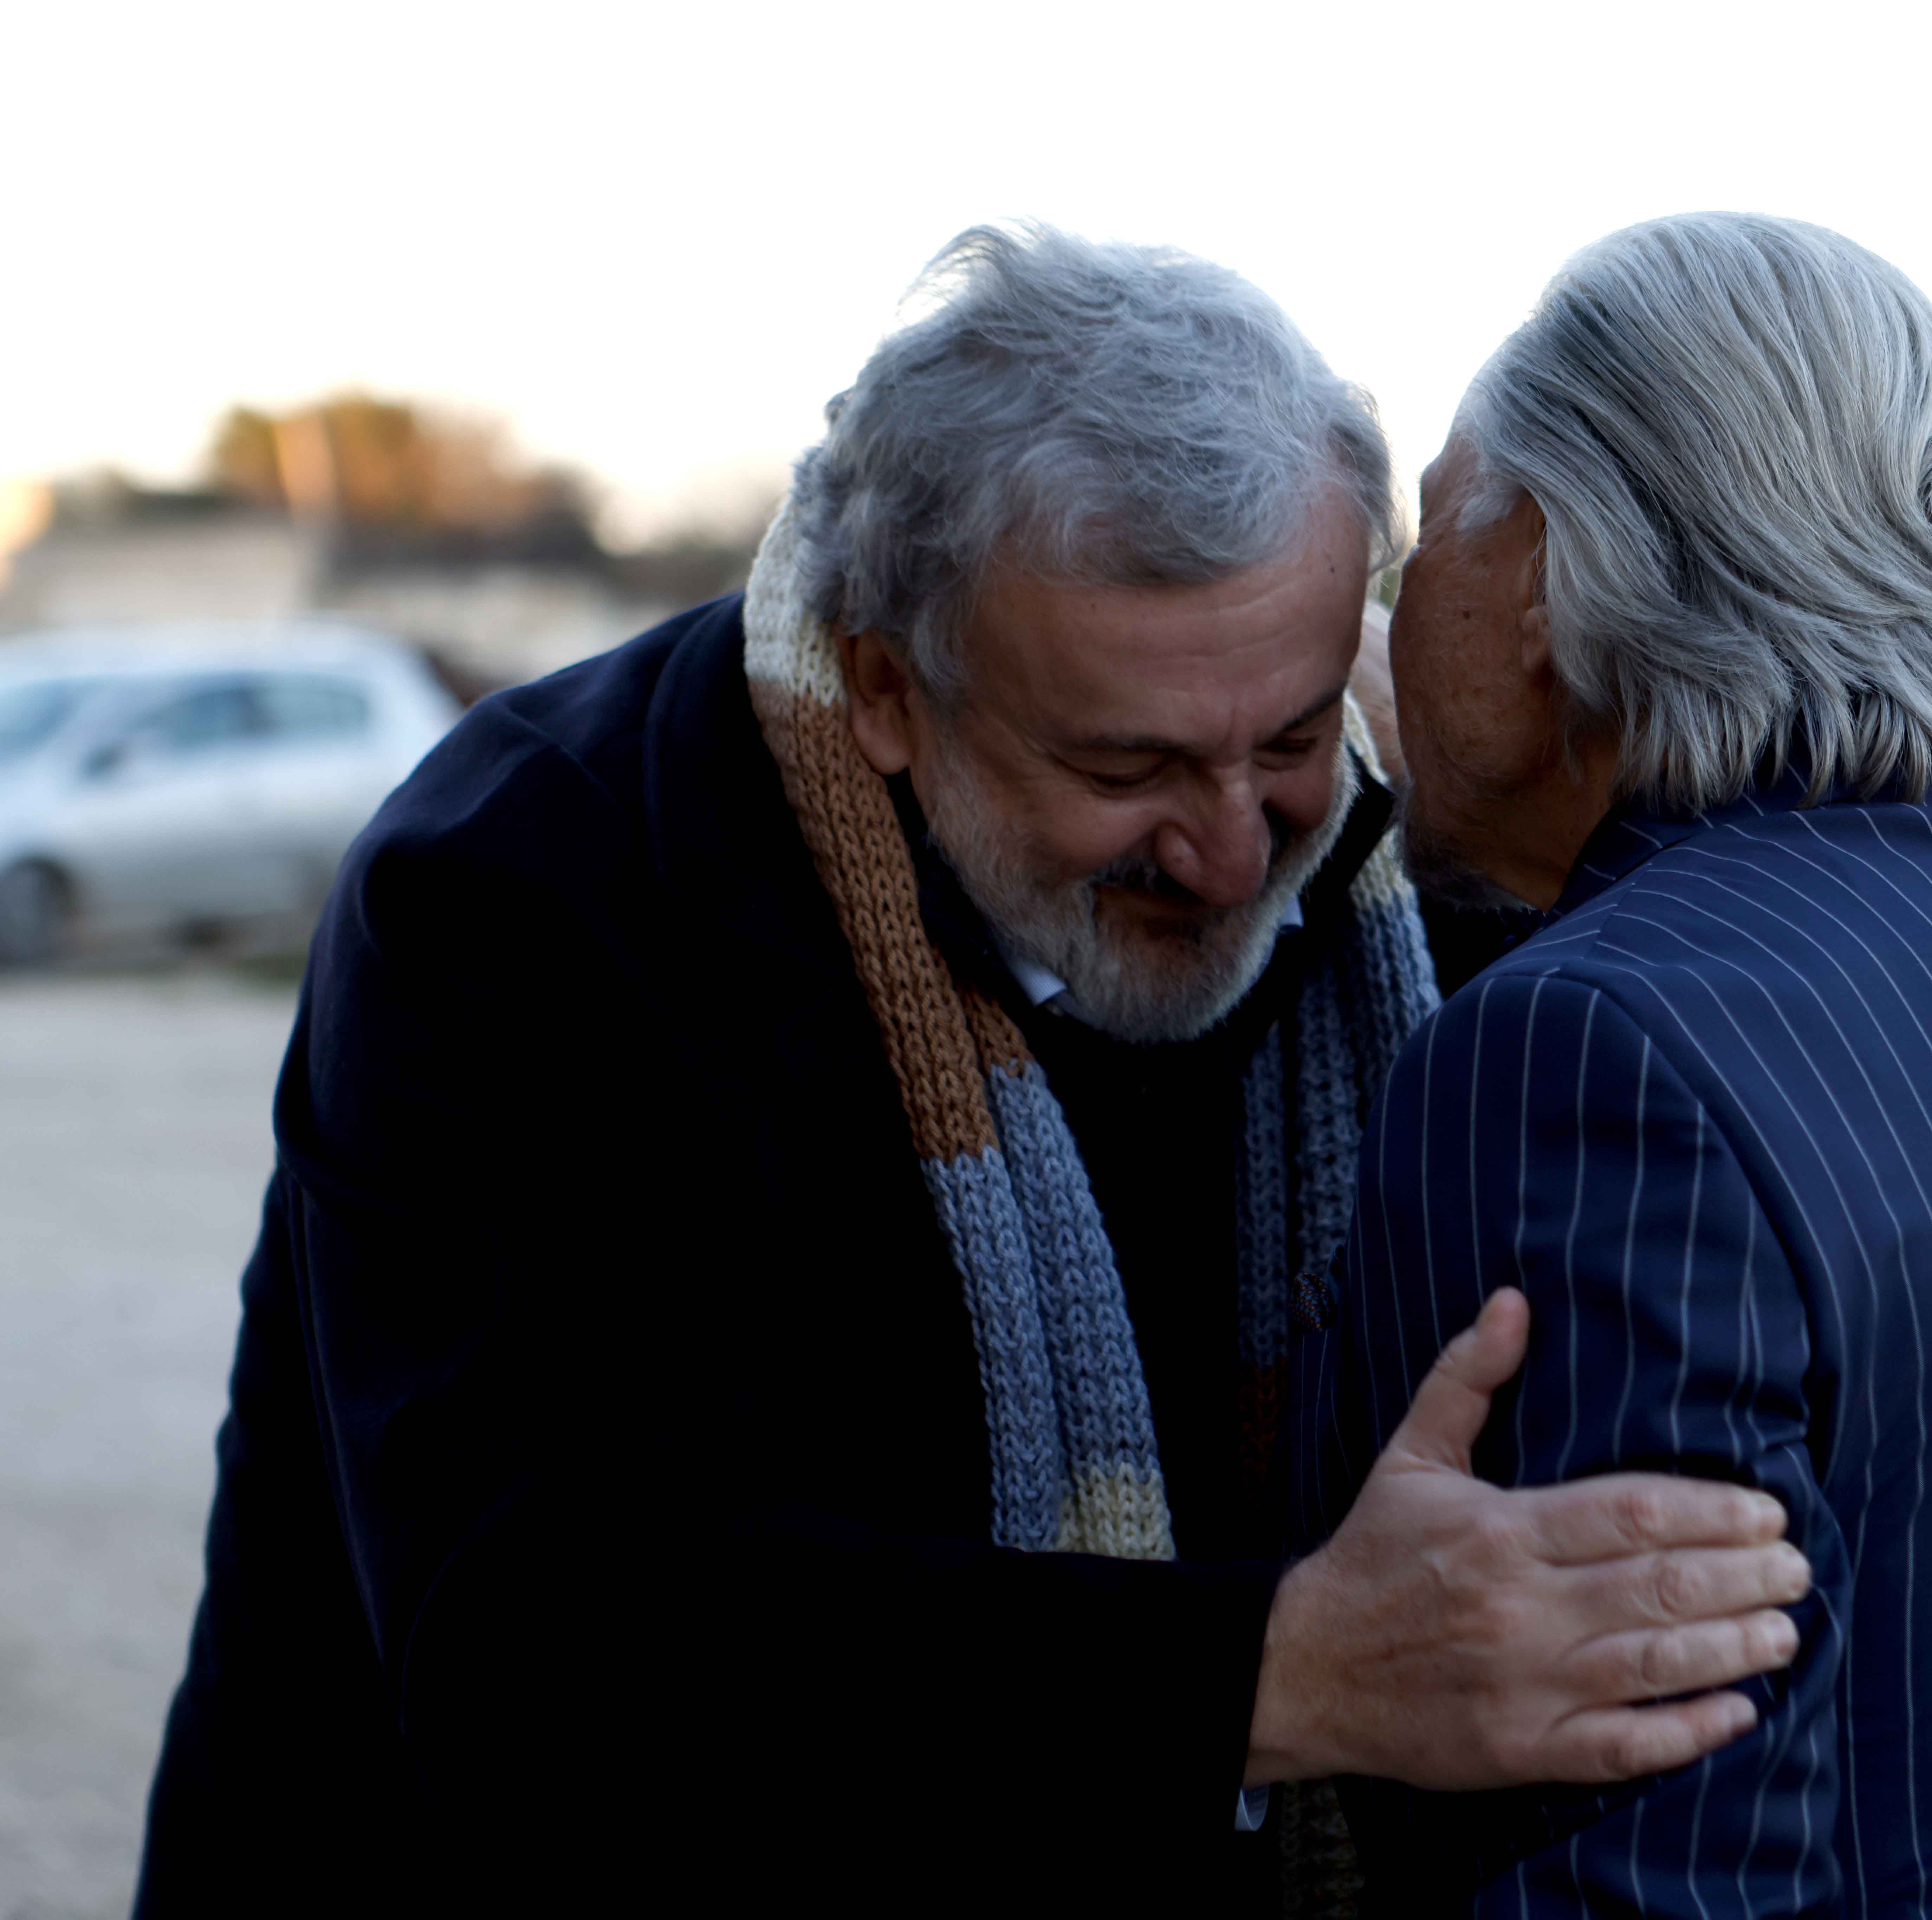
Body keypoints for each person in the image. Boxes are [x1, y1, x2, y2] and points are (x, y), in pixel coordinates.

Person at [131, 225, 1810, 1916]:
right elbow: (541, 1650)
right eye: (1124, 762)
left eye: (1292, 734)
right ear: (882, 684)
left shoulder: (1393, 860)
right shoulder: (524, 891)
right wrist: (1280, 1672)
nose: (1235, 854)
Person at [1296, 212, 1932, 1916]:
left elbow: (1640, 1853)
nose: (1377, 630)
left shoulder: (1581, 1054)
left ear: (1540, 575)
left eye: (1421, 547)